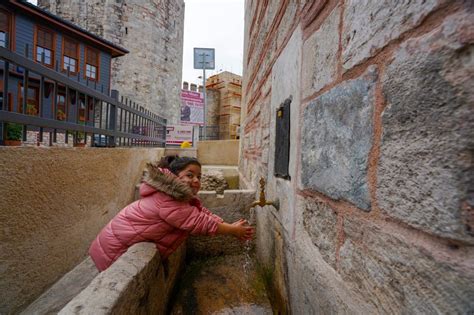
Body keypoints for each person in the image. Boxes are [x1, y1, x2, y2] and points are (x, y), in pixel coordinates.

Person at [89, 155, 254, 271]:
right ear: (174, 177)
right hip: (112, 255)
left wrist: (229, 225)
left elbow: (200, 212)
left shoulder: (174, 195)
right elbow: (199, 222)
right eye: (190, 175)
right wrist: (233, 231)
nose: (196, 180)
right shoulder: (167, 201)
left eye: (199, 176)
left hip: (112, 246)